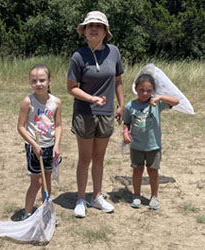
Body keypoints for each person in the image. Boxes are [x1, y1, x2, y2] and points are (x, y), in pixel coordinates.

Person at [67, 11, 125, 218]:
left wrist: (121, 105)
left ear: (105, 31)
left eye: (99, 26)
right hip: (85, 113)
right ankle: (81, 198)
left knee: (99, 158)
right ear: (84, 31)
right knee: (85, 158)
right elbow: (71, 88)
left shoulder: (114, 52)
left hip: (107, 113)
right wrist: (90, 98)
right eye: (90, 25)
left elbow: (118, 80)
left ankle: (97, 196)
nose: (94, 28)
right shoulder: (78, 56)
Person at [122, 73, 179, 210]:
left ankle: (154, 197)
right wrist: (125, 133)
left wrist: (160, 97)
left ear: (153, 90)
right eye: (142, 90)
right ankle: (136, 195)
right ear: (136, 89)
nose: (145, 93)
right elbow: (126, 123)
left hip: (153, 146)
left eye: (149, 90)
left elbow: (176, 101)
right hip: (136, 146)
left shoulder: (157, 104)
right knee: (137, 170)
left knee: (153, 171)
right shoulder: (130, 106)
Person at [17, 64, 62, 220]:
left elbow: (58, 125)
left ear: (49, 81)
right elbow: (20, 127)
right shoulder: (28, 102)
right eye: (34, 81)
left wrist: (56, 145)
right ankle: (27, 213)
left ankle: (46, 212)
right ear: (30, 82)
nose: (38, 84)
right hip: (34, 147)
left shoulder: (56, 102)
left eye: (42, 80)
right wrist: (34, 145)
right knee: (36, 181)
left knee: (47, 180)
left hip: (50, 146)